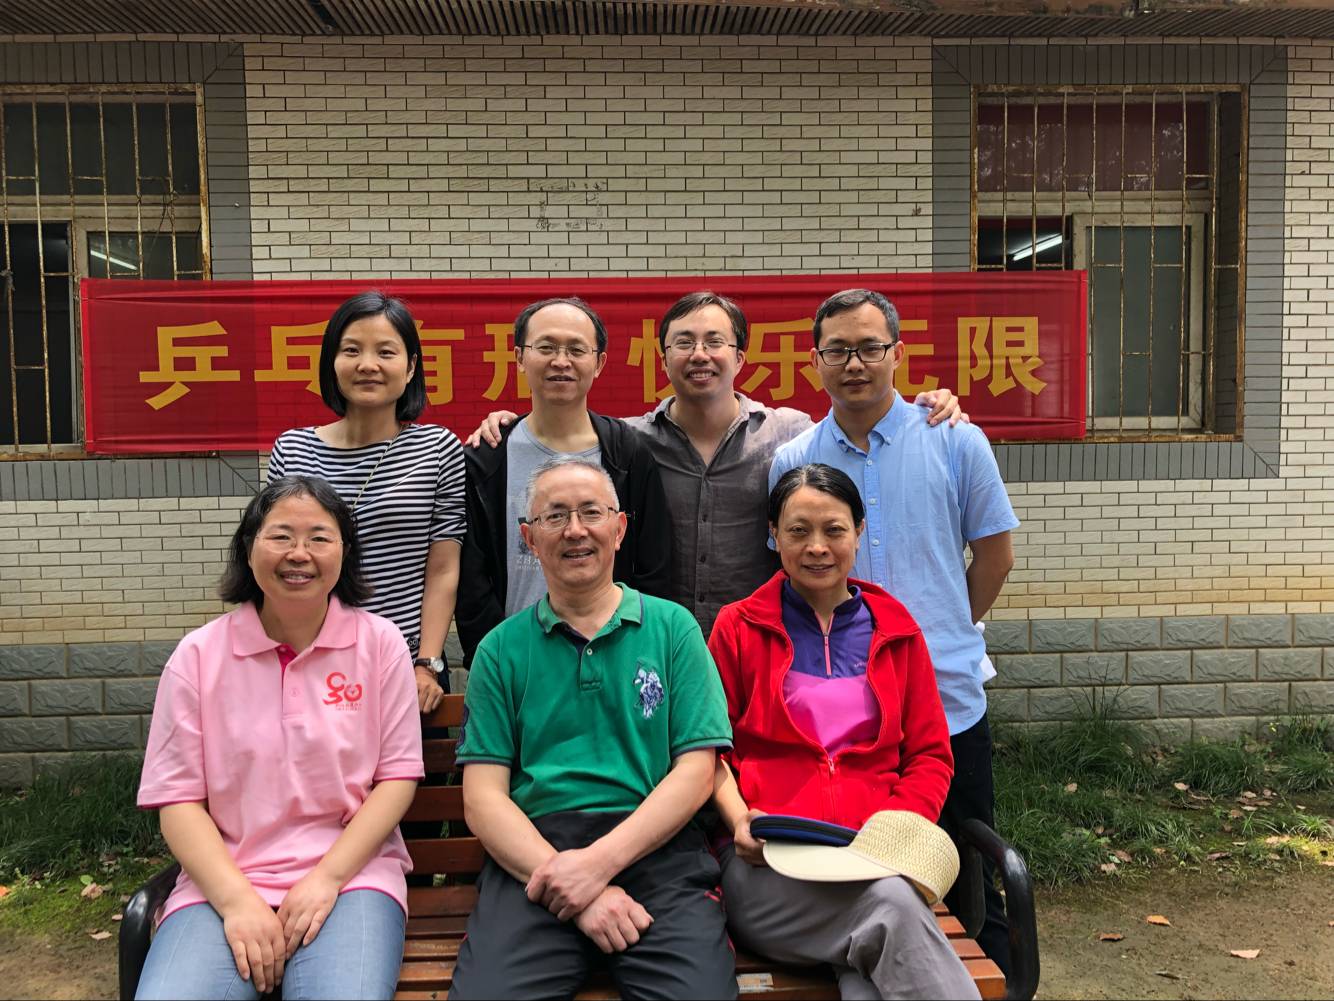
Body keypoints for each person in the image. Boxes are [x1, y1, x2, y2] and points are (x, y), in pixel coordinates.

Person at [467, 290, 965, 637]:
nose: (699, 355)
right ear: (664, 358)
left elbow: (852, 428)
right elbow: (564, 433)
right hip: (660, 647)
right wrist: (506, 425)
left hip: (764, 644)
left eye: (714, 342)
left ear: (740, 357)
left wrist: (927, 406)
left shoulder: (789, 436)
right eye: (684, 343)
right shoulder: (630, 445)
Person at [768, 289, 1018, 972]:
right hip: (841, 718)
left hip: (946, 696)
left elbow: (995, 555)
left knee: (968, 873)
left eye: (870, 347)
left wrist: (945, 627)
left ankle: (989, 980)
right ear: (815, 360)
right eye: (838, 350)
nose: (855, 363)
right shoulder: (793, 458)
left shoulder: (954, 438)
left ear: (898, 353)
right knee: (860, 877)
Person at [449, 457, 735, 999]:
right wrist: (575, 883)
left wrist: (597, 866)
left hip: (657, 847)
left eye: (591, 513)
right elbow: (483, 799)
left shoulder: (673, 629)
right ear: (529, 539)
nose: (575, 530)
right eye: (555, 516)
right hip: (535, 857)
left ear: (619, 529)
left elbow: (697, 773)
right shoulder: (500, 650)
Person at [135, 475, 423, 1001]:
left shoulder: (380, 644)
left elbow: (396, 779)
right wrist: (236, 901)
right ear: (249, 550)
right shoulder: (198, 656)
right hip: (222, 883)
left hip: (353, 878)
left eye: (319, 537)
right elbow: (178, 801)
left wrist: (326, 878)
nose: (299, 554)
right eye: (281, 536)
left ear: (345, 552)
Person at [708, 463, 979, 1000]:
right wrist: (739, 821)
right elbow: (709, 752)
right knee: (892, 911)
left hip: (871, 859)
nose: (817, 547)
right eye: (798, 530)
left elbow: (929, 755)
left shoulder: (896, 630)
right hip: (767, 864)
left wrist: (893, 833)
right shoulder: (738, 628)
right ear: (773, 535)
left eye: (833, 529)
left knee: (871, 964)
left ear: (859, 531)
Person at [268, 290, 465, 706]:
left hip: (406, 664)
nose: (367, 365)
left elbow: (444, 567)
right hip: (312, 658)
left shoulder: (438, 448)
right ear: (332, 362)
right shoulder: (293, 449)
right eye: (352, 350)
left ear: (410, 367)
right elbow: (278, 560)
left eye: (386, 352)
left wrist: (427, 664)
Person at [456, 297, 670, 664]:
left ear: (599, 363)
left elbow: (655, 567)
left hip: (614, 658)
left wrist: (636, 653)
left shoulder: (627, 454)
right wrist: (494, 659)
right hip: (517, 662)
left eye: (576, 349)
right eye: (546, 347)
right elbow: (471, 581)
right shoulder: (487, 457)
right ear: (519, 357)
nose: (561, 361)